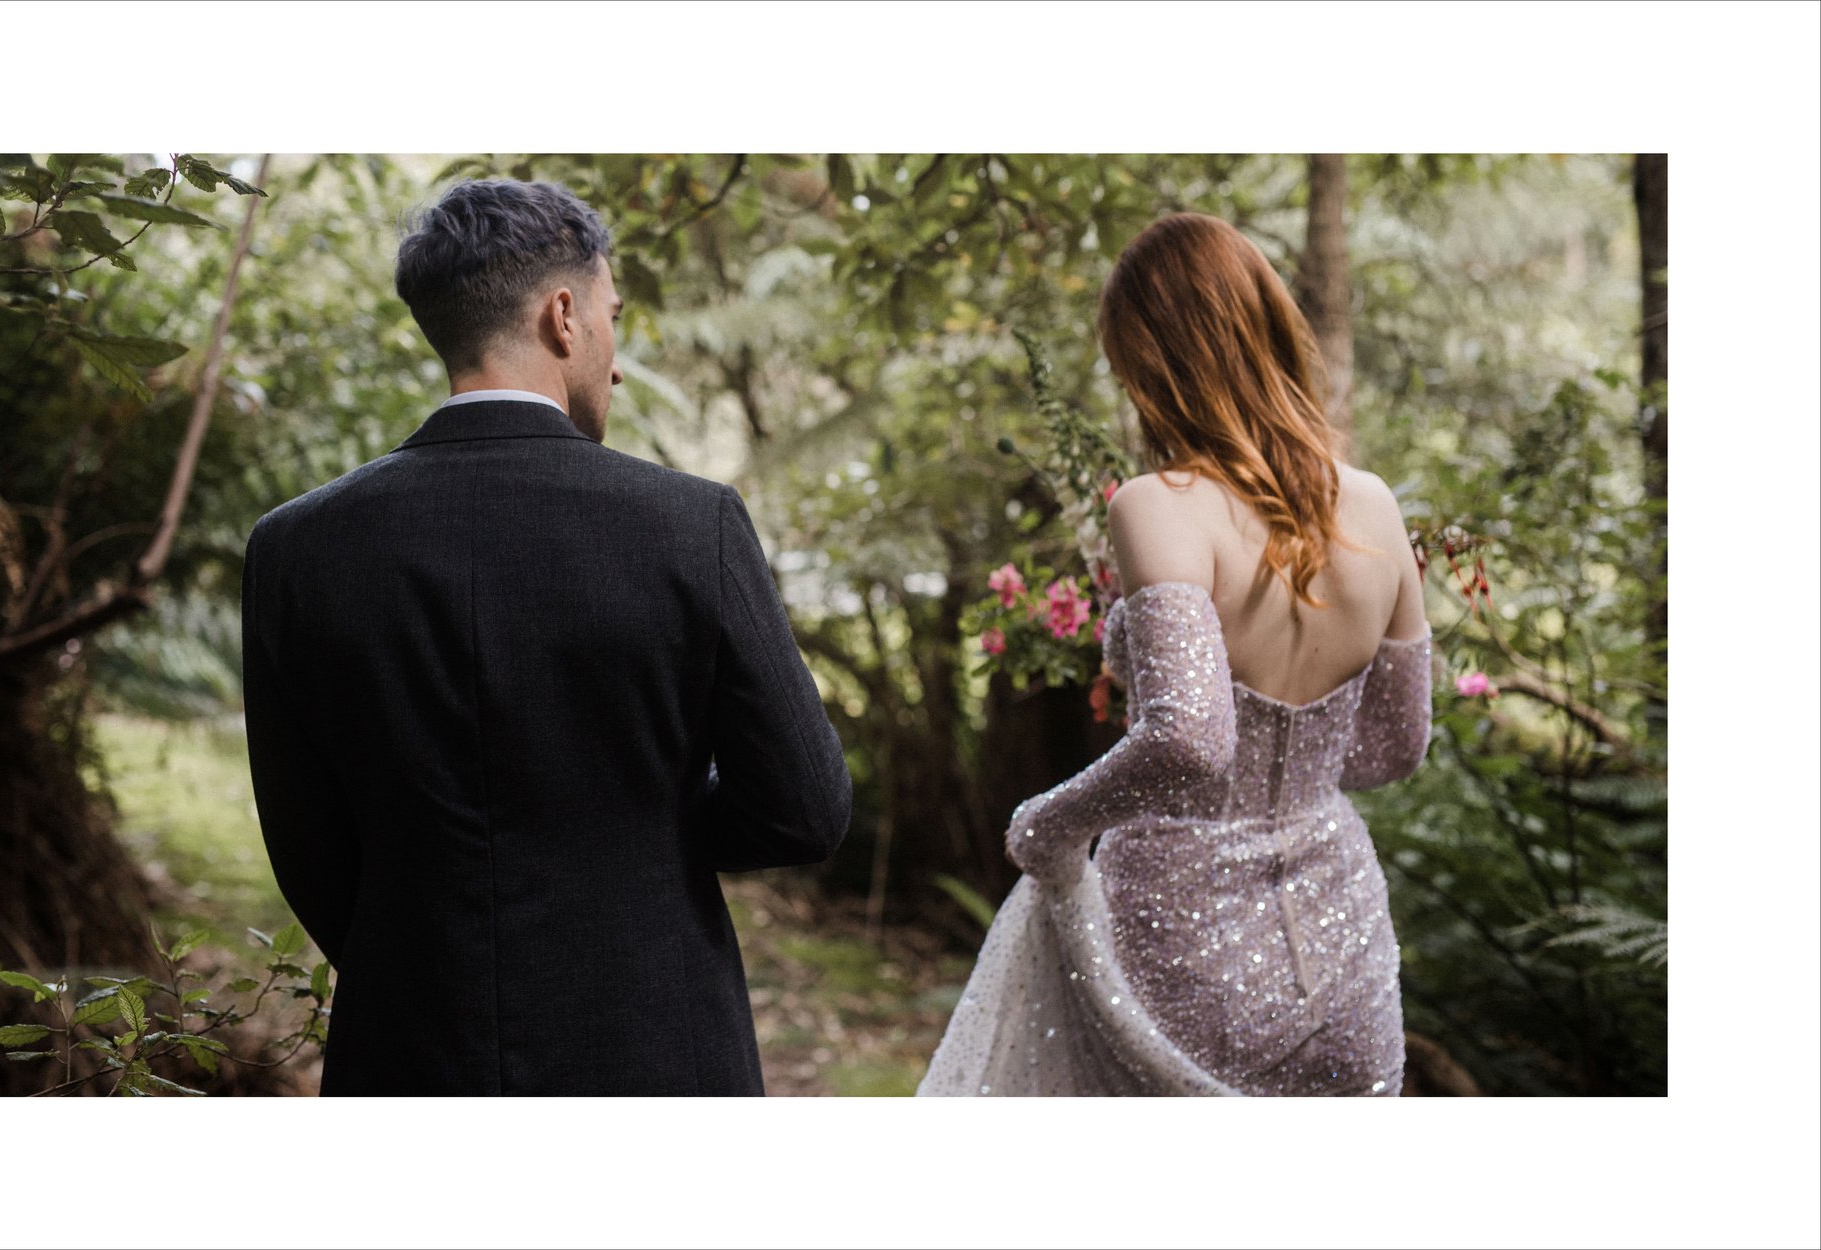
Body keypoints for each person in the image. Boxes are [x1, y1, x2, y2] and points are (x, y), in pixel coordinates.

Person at [241, 179, 852, 1095]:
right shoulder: (692, 525)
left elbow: (307, 844)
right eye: (613, 317)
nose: (613, 359)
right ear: (562, 317)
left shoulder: (296, 547)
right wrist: (641, 829)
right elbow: (805, 808)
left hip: (407, 1047)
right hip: (655, 1040)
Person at [920, 213, 1433, 1097]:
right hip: (1343, 939)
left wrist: (1048, 823)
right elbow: (1397, 748)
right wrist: (1293, 775)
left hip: (1188, 937)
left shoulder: (1158, 506)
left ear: (1152, 363)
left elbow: (1193, 736)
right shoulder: (1377, 505)